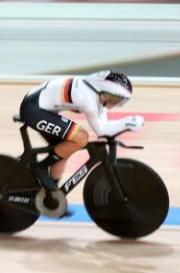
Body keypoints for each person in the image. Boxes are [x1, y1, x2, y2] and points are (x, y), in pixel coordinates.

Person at [18, 70, 144, 200]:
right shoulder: (88, 99)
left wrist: (126, 123)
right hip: (33, 110)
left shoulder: (95, 91)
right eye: (113, 99)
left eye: (118, 101)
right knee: (81, 138)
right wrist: (127, 122)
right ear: (103, 91)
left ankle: (50, 196)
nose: (113, 105)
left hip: (39, 106)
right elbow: (102, 131)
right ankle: (41, 167)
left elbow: (104, 123)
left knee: (64, 149)